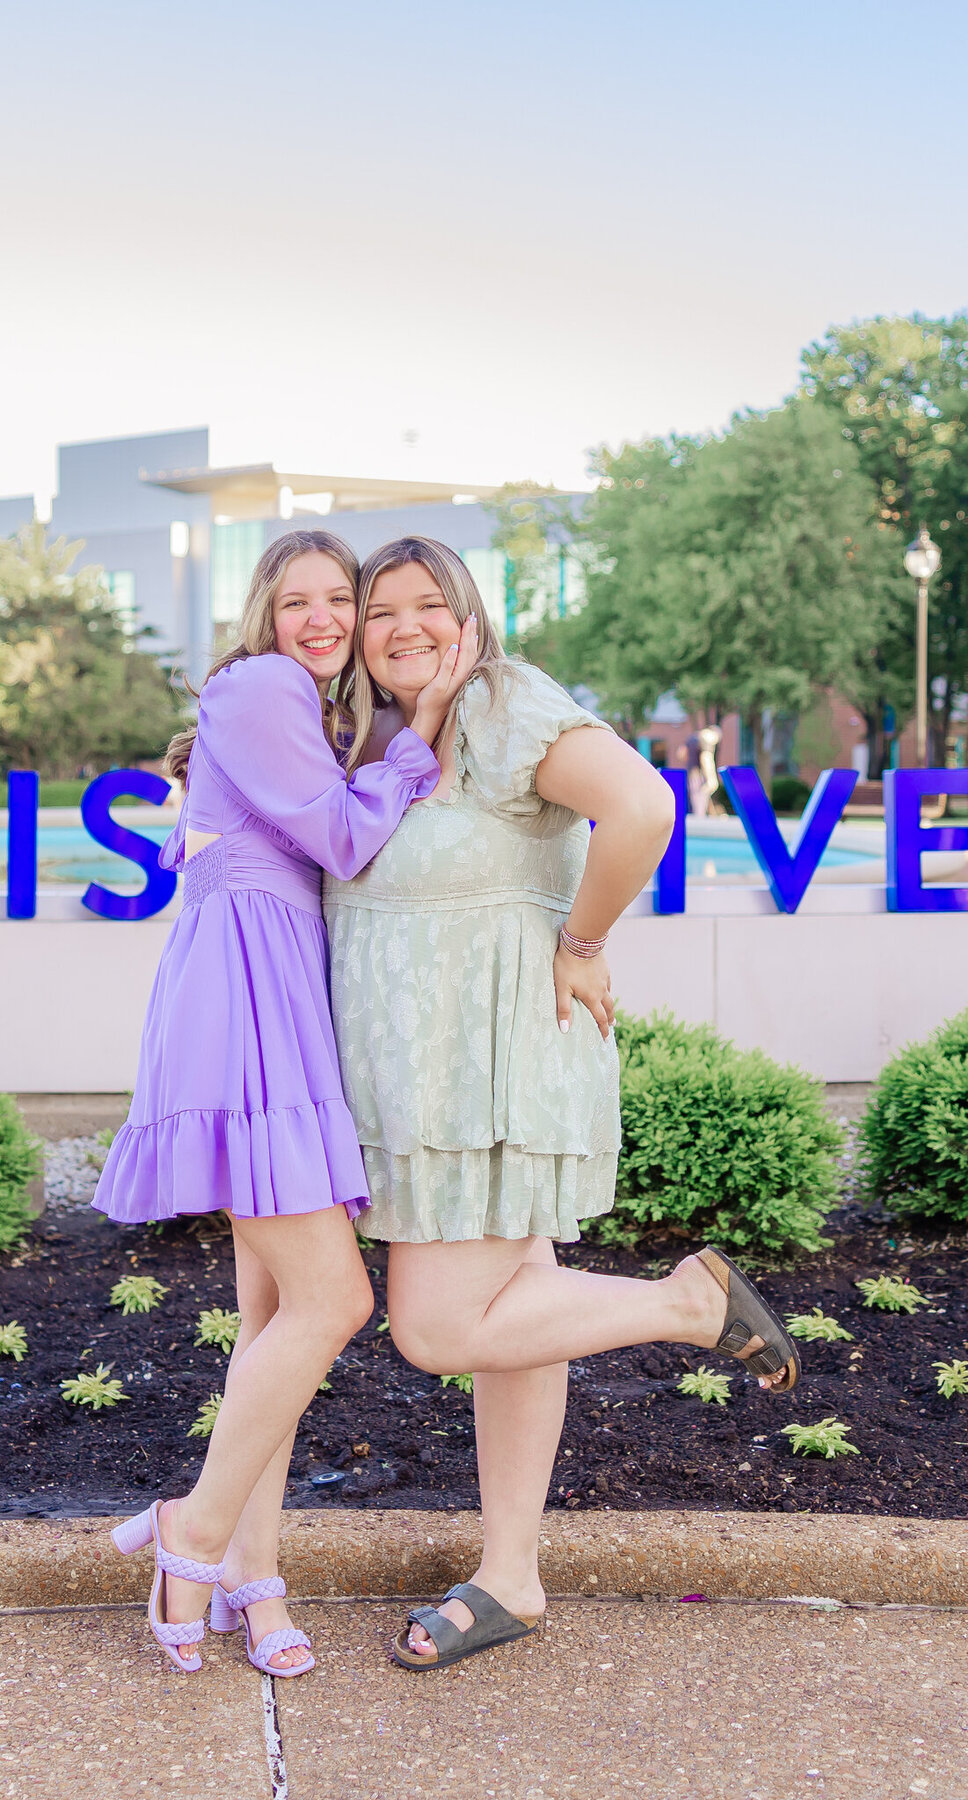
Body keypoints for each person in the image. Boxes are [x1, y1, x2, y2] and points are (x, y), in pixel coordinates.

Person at [325, 536, 800, 1671]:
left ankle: (691, 1307)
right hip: (436, 1077)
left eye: (427, 604)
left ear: (469, 612)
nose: (403, 626)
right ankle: (512, 1575)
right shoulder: (399, 733)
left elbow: (641, 808)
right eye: (378, 608)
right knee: (517, 1321)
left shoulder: (500, 702)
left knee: (437, 1329)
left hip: (488, 1073)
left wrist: (582, 941)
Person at [94, 528, 478, 1675]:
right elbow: (346, 839)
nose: (322, 618)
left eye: (339, 601)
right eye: (299, 598)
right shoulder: (261, 685)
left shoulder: (299, 709)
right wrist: (422, 740)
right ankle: (194, 1530)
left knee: (275, 1327)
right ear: (266, 612)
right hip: (245, 1004)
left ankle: (254, 1582)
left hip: (270, 996)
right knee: (334, 1301)